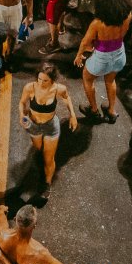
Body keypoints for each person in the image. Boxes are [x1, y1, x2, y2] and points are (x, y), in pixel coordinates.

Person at [18, 64, 78, 199]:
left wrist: (72, 115)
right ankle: (42, 159)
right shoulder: (30, 87)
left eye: (45, 80)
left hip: (51, 126)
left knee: (48, 158)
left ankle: (47, 183)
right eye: (39, 79)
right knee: (39, 149)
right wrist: (22, 115)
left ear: (52, 79)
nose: (41, 83)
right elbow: (22, 103)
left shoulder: (59, 89)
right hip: (33, 125)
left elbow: (67, 98)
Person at [75, 0, 132, 123]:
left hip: (102, 57)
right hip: (119, 54)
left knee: (88, 78)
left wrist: (79, 55)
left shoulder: (97, 24)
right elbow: (118, 5)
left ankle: (94, 110)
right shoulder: (128, 16)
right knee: (110, 80)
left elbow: (85, 42)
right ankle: (112, 111)